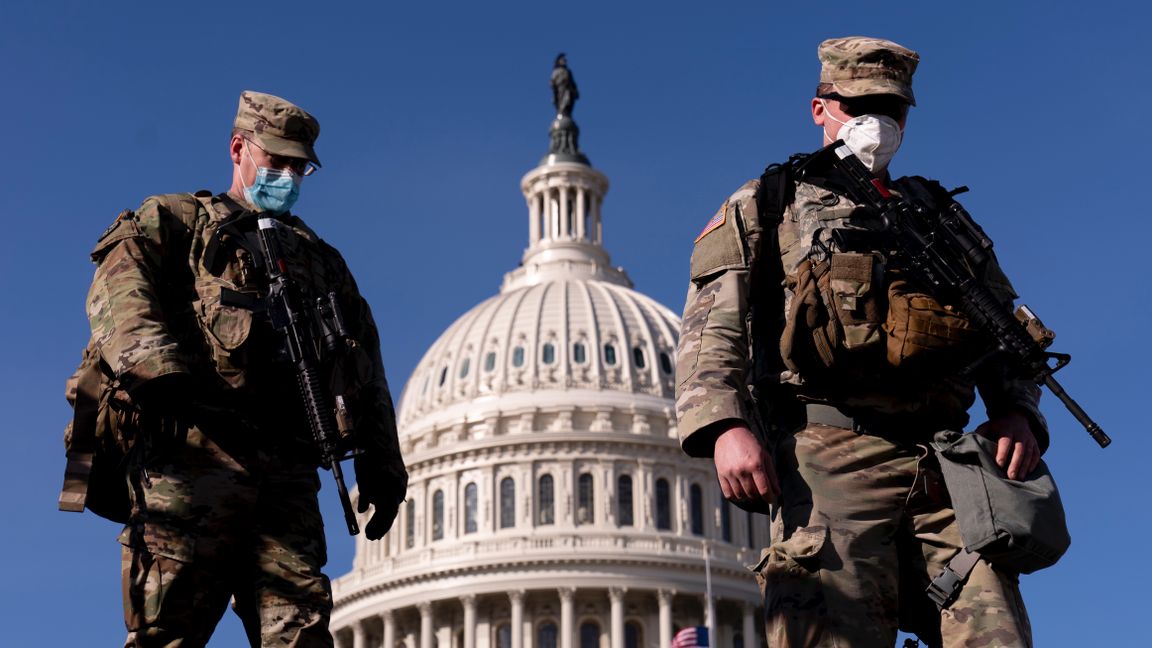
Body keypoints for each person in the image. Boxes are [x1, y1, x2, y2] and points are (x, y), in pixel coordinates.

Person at [675, 37, 1045, 647]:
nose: (877, 122)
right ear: (820, 107)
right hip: (828, 456)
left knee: (997, 633)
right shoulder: (767, 205)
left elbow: (1003, 328)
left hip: (948, 464)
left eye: (892, 109)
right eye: (860, 104)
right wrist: (724, 427)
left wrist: (1017, 412)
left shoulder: (941, 215)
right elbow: (712, 329)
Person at [71, 90, 408, 647]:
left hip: (286, 480)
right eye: (276, 161)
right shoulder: (179, 221)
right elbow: (119, 290)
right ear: (239, 148)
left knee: (301, 637)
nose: (288, 175)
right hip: (195, 460)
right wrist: (161, 372)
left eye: (299, 167)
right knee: (167, 632)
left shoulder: (322, 263)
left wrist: (383, 464)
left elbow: (364, 362)